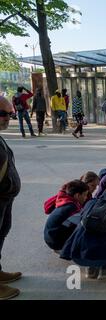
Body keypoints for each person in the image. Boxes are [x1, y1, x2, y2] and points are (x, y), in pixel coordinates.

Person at [0, 96, 22, 300]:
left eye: (10, 113)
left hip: (5, 198)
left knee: (1, 233)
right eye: (3, 114)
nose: (7, 118)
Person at [43, 180, 89, 251]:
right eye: (85, 195)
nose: (86, 197)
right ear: (77, 195)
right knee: (85, 230)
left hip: (50, 236)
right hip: (55, 242)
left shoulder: (65, 200)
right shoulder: (71, 207)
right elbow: (84, 222)